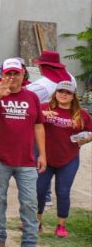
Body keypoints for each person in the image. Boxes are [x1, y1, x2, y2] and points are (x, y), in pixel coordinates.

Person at [0, 58, 46, 247]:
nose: (12, 77)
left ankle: (29, 243)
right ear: (3, 75)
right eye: (8, 73)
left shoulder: (32, 97)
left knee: (29, 202)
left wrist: (42, 154)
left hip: (26, 159)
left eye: (15, 73)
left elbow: (38, 125)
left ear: (23, 74)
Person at [37, 80, 91, 238]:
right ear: (55, 93)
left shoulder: (82, 114)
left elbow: (90, 131)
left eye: (68, 92)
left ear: (73, 95)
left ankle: (61, 225)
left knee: (63, 191)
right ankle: (37, 222)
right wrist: (42, 115)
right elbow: (29, 120)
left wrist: (87, 137)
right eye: (60, 91)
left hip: (69, 159)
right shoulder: (44, 108)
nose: (63, 95)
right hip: (44, 158)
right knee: (39, 190)